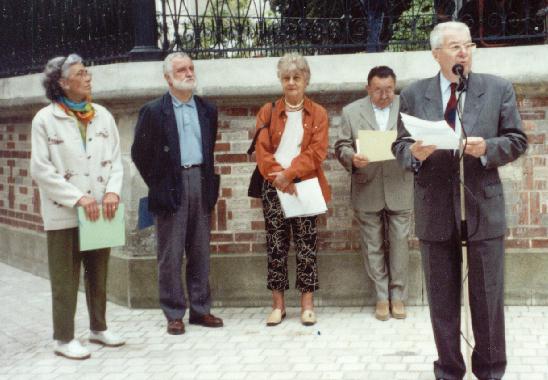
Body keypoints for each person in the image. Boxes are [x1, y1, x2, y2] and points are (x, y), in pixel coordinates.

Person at [392, 21, 527, 380]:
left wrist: (488, 149)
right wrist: (415, 154)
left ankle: (491, 371)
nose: (463, 52)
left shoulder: (497, 89)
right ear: (436, 54)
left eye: (467, 45)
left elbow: (517, 139)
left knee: (488, 300)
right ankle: (449, 370)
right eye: (454, 47)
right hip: (436, 209)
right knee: (442, 300)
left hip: (483, 206)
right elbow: (399, 146)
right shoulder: (414, 95)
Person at [30, 54, 125, 360]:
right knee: (65, 276)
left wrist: (111, 192)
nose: (88, 77)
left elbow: (117, 160)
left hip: (101, 209)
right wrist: (77, 198)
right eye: (81, 73)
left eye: (87, 72)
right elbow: (41, 169)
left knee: (98, 271)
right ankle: (63, 337)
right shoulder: (44, 119)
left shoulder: (102, 115)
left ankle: (99, 328)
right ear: (62, 82)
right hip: (65, 210)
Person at [131, 52, 222, 335]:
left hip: (200, 180)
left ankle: (200, 309)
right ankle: (173, 312)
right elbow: (139, 153)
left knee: (200, 250)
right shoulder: (154, 111)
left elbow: (209, 149)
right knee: (170, 253)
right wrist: (158, 183)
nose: (189, 73)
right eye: (181, 70)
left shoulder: (207, 109)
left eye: (191, 68)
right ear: (168, 78)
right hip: (170, 184)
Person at [254, 53, 331, 327]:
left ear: (306, 80)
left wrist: (291, 174)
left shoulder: (318, 113)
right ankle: (278, 305)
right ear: (280, 80)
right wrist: (278, 177)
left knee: (306, 245)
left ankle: (307, 306)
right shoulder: (268, 111)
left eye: (296, 77)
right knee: (276, 245)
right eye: (286, 78)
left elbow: (317, 152)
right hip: (274, 186)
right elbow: (261, 151)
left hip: (304, 185)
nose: (291, 82)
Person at [334, 66, 413, 321]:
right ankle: (381, 296)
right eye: (378, 90)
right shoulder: (351, 111)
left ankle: (398, 296)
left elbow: (416, 138)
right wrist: (352, 158)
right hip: (367, 183)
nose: (384, 95)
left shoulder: (407, 105)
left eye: (389, 89)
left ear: (395, 86)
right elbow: (341, 145)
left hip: (400, 183)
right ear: (368, 88)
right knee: (372, 245)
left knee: (400, 242)